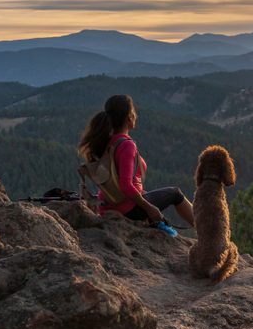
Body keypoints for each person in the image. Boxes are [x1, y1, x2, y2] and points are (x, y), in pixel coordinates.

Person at [78, 94, 195, 231]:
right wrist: (150, 208)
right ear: (129, 117)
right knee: (175, 193)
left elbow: (115, 178)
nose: (136, 116)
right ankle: (208, 232)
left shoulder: (107, 141)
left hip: (107, 205)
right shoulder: (127, 145)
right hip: (128, 209)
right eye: (134, 112)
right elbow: (125, 185)